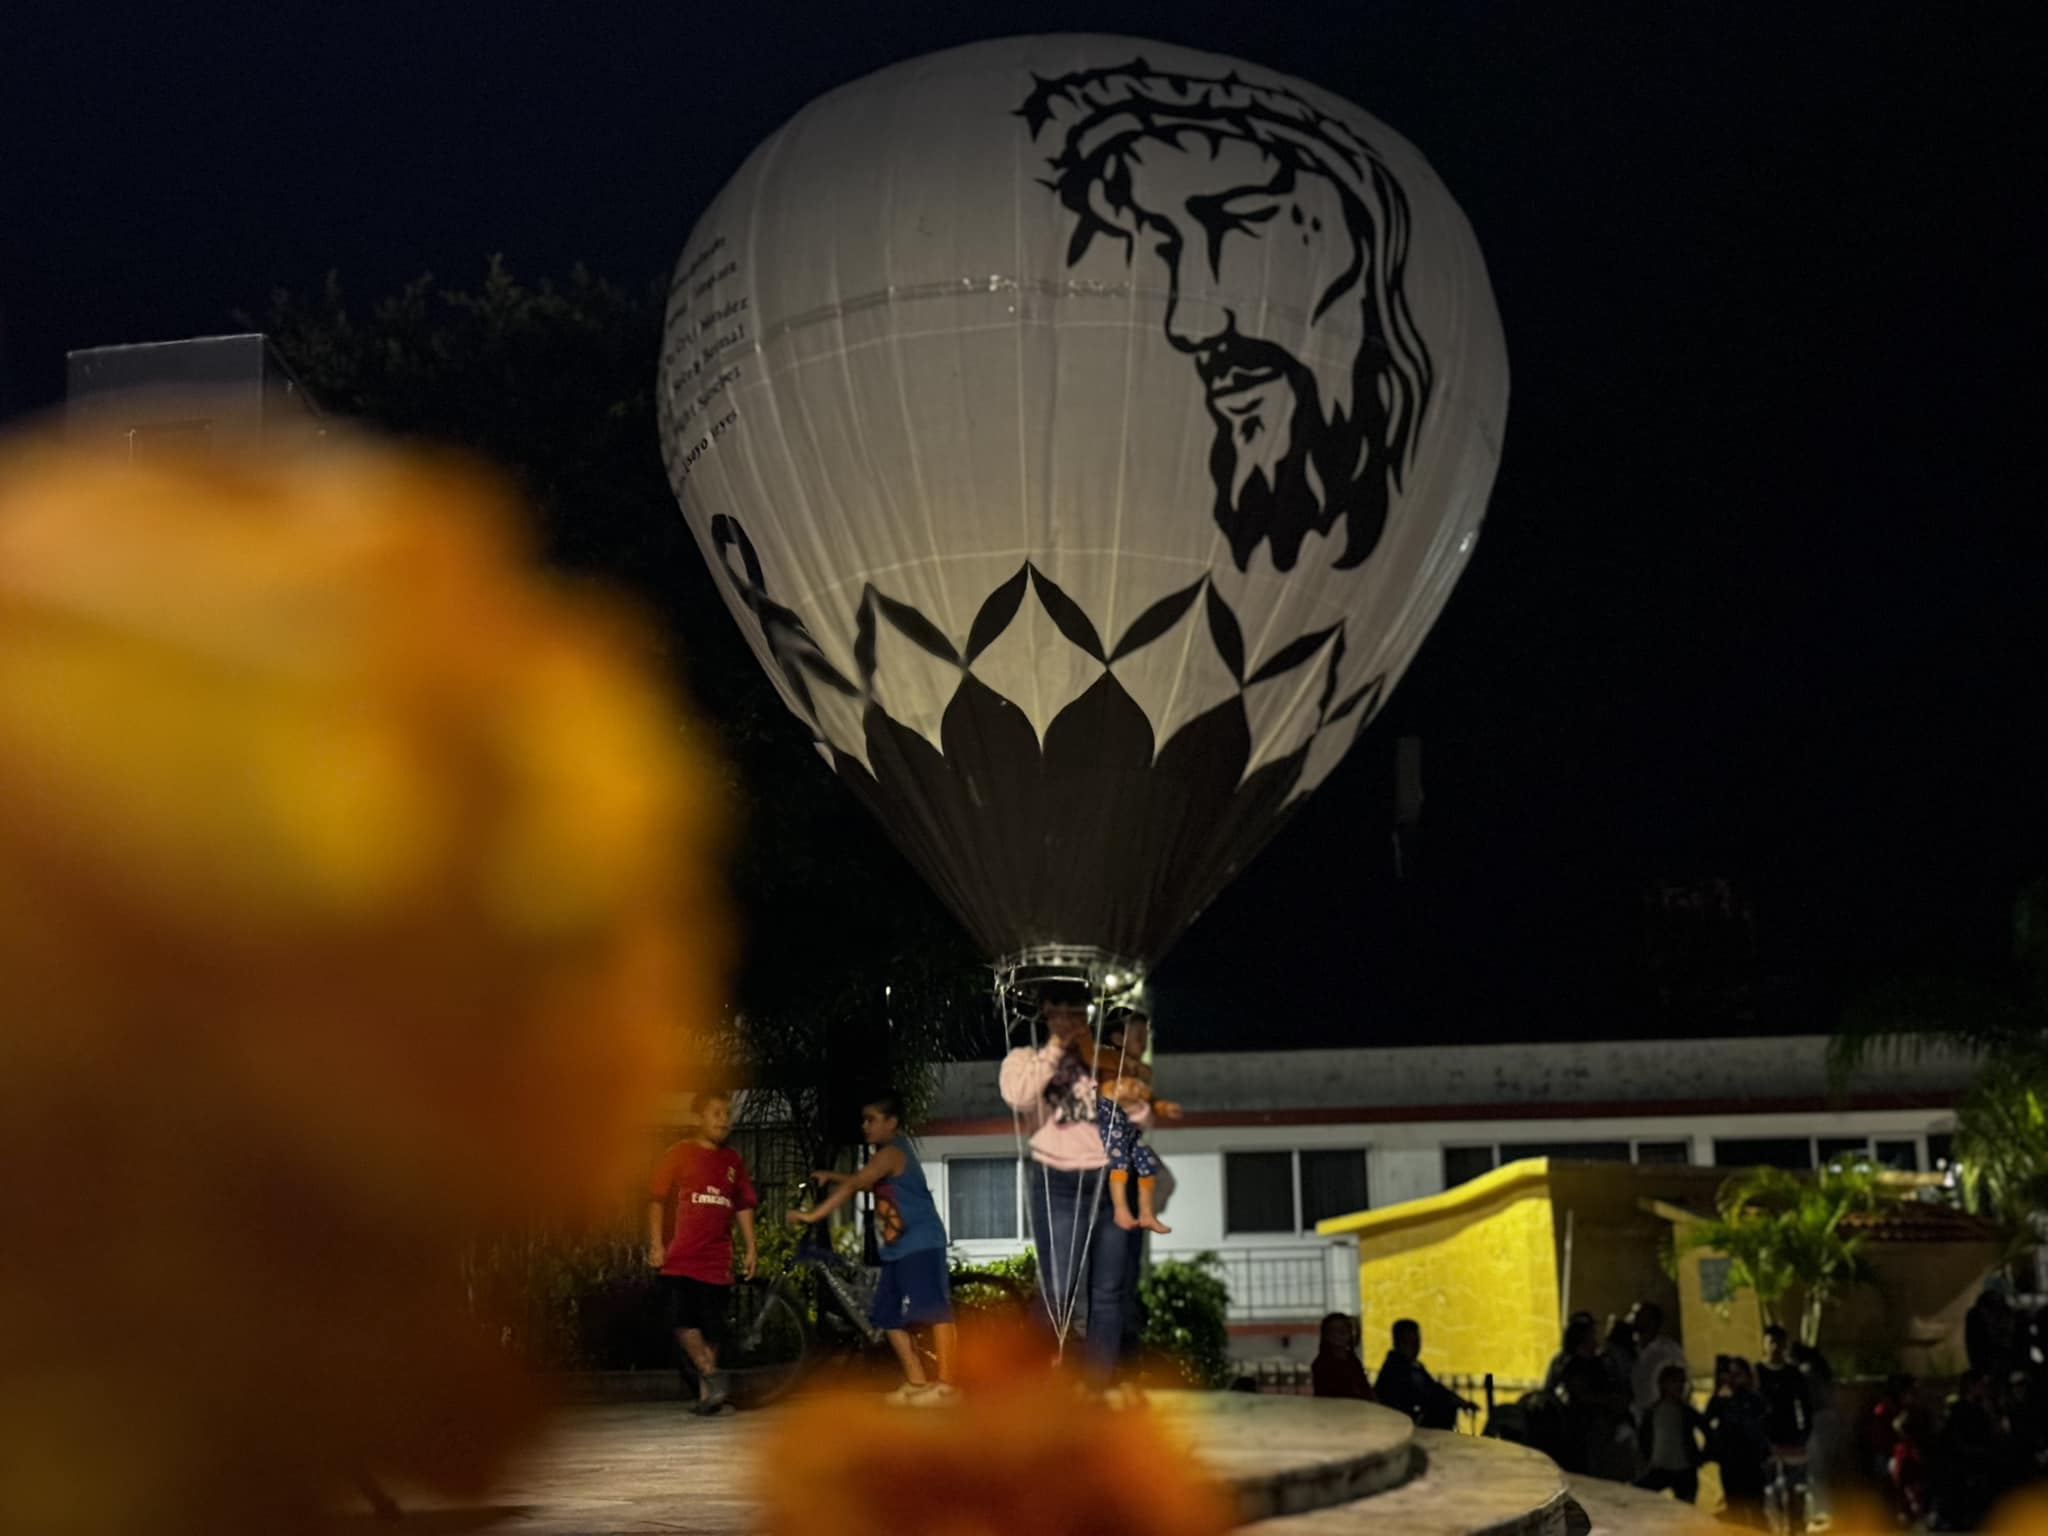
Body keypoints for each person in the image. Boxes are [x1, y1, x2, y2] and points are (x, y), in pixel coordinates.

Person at [998, 983, 1138, 1381]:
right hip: (1057, 1177)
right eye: (1059, 1012)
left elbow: (1133, 1103)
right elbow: (1018, 1095)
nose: (1068, 1020)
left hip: (1110, 1178)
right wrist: (1058, 1047)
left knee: (1109, 1293)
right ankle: (1040, 1380)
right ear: (1045, 1013)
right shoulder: (1026, 1058)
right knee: (1058, 1290)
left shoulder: (1105, 1059)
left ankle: (1098, 1385)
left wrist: (1093, 1052)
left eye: (1076, 1012)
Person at [792, 1091, 957, 1405]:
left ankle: (947, 1387)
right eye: (863, 1119)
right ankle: (918, 1383)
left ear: (891, 1123)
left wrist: (813, 1215)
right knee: (886, 1316)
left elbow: (858, 1183)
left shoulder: (893, 1151)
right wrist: (833, 1176)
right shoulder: (883, 1156)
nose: (865, 1126)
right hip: (897, 1250)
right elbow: (865, 1181)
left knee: (936, 1311)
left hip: (921, 1243)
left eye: (871, 1120)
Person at [646, 1092, 758, 1416]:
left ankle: (710, 1397)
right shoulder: (679, 1154)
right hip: (681, 1257)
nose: (724, 1119)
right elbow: (655, 1199)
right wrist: (656, 1244)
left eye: (727, 1113)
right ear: (699, 1118)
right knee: (680, 1321)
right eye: (716, 1113)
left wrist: (751, 1247)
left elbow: (743, 1205)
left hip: (717, 1259)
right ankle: (712, 1374)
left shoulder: (733, 1161)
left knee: (712, 1328)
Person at [1092, 1008, 1182, 1234]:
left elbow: (1147, 1096)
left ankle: (1146, 1214)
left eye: (1146, 1037)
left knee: (1149, 1165)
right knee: (1120, 1161)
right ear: (1117, 1039)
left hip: (1127, 1127)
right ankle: (1121, 1210)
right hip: (1109, 1118)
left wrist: (1162, 1106)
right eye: (1139, 1036)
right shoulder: (1106, 1057)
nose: (1143, 1043)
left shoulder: (1139, 1071)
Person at [1754, 1326, 1811, 1527]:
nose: (1775, 1348)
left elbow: (1805, 1405)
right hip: (1766, 1441)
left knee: (1795, 1489)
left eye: (1779, 1342)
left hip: (1791, 1439)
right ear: (1764, 1344)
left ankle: (1796, 1528)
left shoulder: (1793, 1374)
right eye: (1771, 1342)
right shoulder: (1757, 1373)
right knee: (1771, 1492)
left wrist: (1805, 1433)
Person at [1704, 1356, 1769, 1527]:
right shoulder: (1723, 1400)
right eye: (1730, 1374)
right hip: (1730, 1462)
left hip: (1751, 1463)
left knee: (1755, 1512)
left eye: (1737, 1374)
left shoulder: (1754, 1400)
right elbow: (1707, 1419)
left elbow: (1759, 1428)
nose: (1733, 1379)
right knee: (1735, 1510)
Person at [1376, 1319, 1475, 1431]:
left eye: (1417, 1342)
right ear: (1399, 1343)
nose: (1416, 1347)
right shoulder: (1396, 1370)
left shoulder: (1412, 1367)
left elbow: (1434, 1388)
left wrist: (1458, 1401)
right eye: (1411, 1342)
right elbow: (1424, 1393)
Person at [1633, 1364, 1707, 1504]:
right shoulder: (1654, 1412)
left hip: (1684, 1469)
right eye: (1675, 1381)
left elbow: (1707, 1430)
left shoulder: (1686, 1412)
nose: (1679, 1386)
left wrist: (1700, 1456)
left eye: (1682, 1382)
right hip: (1660, 1468)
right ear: (1664, 1384)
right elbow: (1644, 1438)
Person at [1627, 1302, 1687, 1417]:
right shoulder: (1633, 1352)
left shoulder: (1668, 1350)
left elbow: (1681, 1383)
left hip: (1663, 1416)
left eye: (1644, 1317)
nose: (1637, 1321)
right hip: (1639, 1417)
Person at [1311, 1313, 1374, 1401]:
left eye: (1344, 1330)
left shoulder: (1353, 1360)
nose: (1340, 1334)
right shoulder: (1322, 1364)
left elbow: (1364, 1388)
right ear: (1326, 1335)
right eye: (1334, 1330)